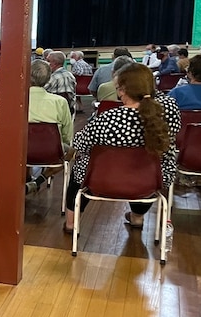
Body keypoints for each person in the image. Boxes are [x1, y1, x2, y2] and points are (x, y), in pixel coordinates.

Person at [63, 63, 179, 232]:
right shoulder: (168, 109)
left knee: (81, 166)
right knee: (151, 165)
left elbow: (81, 144)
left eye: (118, 88)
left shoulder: (108, 117)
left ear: (123, 90)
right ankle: (137, 217)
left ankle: (71, 223)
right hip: (150, 181)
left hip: (104, 178)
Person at [25, 60, 74, 195]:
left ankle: (26, 178)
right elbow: (67, 135)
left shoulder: (16, 100)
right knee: (74, 152)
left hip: (19, 151)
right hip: (51, 150)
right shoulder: (60, 102)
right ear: (48, 79)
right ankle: (40, 180)